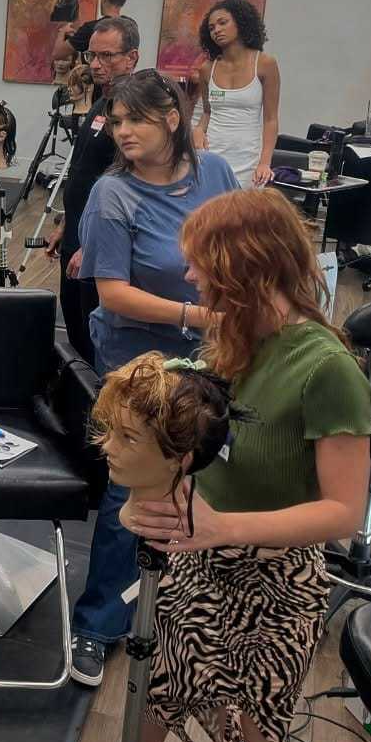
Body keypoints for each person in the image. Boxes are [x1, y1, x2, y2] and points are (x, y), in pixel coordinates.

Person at [83, 189, 371, 742]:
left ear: (246, 268)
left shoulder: (327, 369)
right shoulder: (236, 343)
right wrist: (144, 502)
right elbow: (173, 426)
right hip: (202, 555)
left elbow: (344, 511)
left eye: (198, 262)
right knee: (161, 674)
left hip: (276, 581)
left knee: (253, 739)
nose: (188, 274)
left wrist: (220, 527)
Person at [68, 68, 239, 688]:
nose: (122, 131)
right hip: (136, 356)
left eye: (134, 119)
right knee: (131, 489)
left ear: (172, 119)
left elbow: (237, 247)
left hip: (210, 349)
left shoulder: (215, 174)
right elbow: (112, 294)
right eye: (116, 122)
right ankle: (98, 623)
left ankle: (187, 611)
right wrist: (199, 313)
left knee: (206, 472)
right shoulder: (112, 194)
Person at [42, 17, 138, 366]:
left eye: (107, 56)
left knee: (97, 338)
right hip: (77, 238)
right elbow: (83, 172)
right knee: (75, 329)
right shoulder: (100, 106)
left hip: (98, 246)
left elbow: (126, 187)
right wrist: (66, 224)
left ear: (132, 58)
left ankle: (100, 411)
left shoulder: (134, 117)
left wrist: (92, 245)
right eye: (92, 55)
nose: (96, 64)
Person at [193, 0, 280, 188]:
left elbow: (271, 119)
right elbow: (207, 112)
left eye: (223, 23)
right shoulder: (207, 69)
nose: (217, 30)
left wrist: (265, 162)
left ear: (241, 22)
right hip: (212, 155)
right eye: (212, 28)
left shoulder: (265, 64)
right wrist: (198, 130)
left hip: (249, 158)